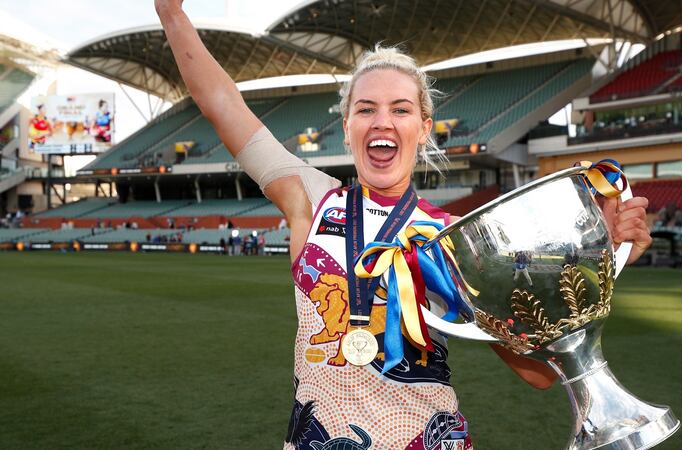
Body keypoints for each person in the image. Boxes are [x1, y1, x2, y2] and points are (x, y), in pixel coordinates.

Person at [156, 1, 653, 448]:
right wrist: (172, 14)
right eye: (365, 109)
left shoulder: (460, 237)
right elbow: (222, 104)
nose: (382, 122)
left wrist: (597, 256)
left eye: (400, 109)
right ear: (346, 126)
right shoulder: (312, 200)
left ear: (422, 127)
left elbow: (539, 374)